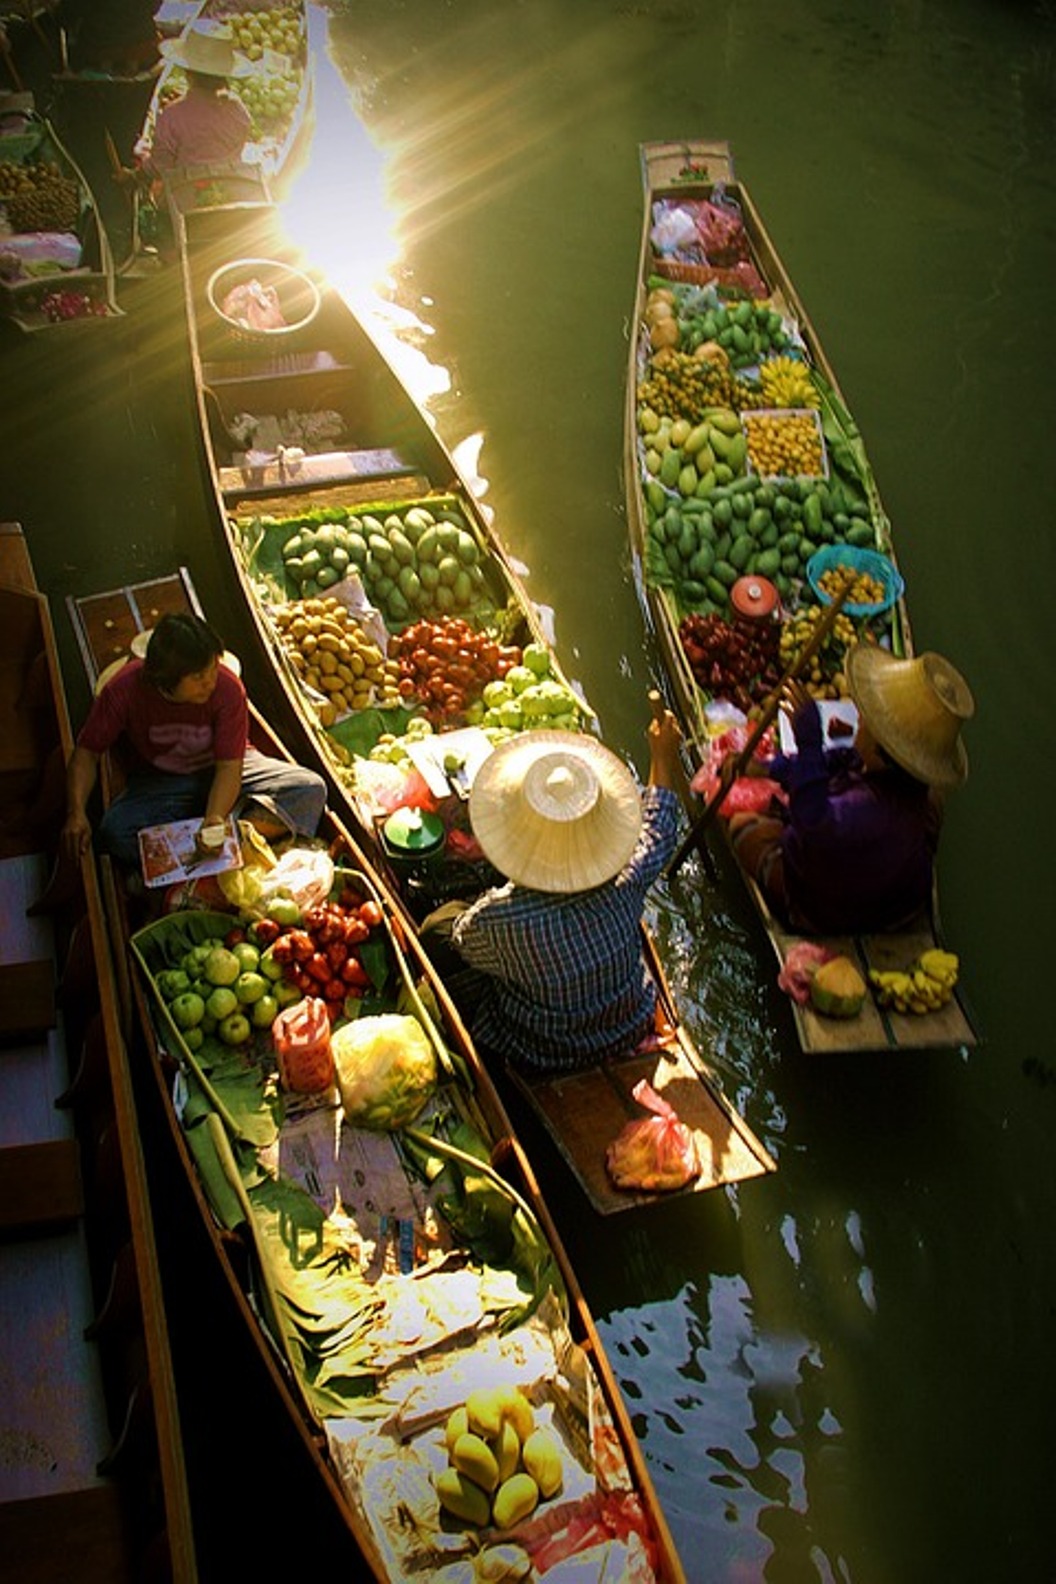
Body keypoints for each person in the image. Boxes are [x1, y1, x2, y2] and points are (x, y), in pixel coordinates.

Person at [430, 708, 683, 1072]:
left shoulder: (498, 917)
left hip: (544, 1049)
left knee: (436, 928)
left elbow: (462, 941)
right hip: (629, 1025)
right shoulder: (628, 878)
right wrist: (662, 755)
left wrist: (478, 900)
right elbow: (659, 825)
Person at [727, 646, 974, 935]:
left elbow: (812, 823)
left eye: (866, 724)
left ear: (884, 750)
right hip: (888, 888)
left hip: (831, 903)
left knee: (743, 826)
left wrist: (809, 742)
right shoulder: (901, 775)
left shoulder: (867, 810)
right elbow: (838, 761)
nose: (859, 724)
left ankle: (805, 917)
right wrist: (766, 768)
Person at [62, 613, 327, 872]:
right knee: (114, 833)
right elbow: (86, 754)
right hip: (162, 780)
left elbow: (228, 768)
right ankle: (217, 844)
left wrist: (214, 818)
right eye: (198, 677)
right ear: (164, 679)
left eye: (213, 668)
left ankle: (219, 842)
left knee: (309, 789)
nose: (210, 682)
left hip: (230, 768)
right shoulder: (122, 690)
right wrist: (77, 812)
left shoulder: (227, 688)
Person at [134, 23, 252, 184]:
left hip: (187, 194)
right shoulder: (237, 108)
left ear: (188, 73)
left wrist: (143, 161)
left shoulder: (172, 116)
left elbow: (160, 167)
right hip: (230, 186)